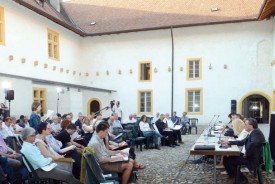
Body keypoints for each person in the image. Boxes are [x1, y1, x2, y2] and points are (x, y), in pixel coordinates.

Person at [221, 118, 265, 184]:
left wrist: (246, 154)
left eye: (245, 124)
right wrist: (229, 142)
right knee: (227, 158)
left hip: (251, 159)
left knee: (227, 160)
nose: (244, 126)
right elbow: (242, 142)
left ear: (251, 126)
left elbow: (254, 143)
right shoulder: (253, 132)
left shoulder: (256, 133)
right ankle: (237, 177)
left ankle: (241, 179)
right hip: (249, 156)